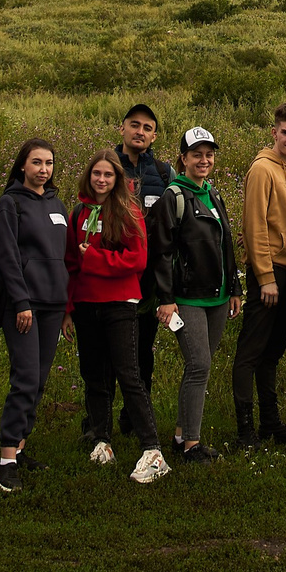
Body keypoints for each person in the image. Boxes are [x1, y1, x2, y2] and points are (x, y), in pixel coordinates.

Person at [68, 149, 171, 485]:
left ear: (118, 179)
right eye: (96, 174)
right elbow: (71, 263)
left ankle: (152, 449)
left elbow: (137, 260)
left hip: (119, 303)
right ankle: (101, 439)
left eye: (108, 175)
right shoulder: (79, 213)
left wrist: (96, 259)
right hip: (86, 303)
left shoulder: (129, 211)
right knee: (94, 374)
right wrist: (68, 308)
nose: (101, 180)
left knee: (129, 374)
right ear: (89, 176)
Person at [146, 126, 241, 463]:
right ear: (183, 158)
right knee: (199, 364)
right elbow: (161, 252)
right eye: (197, 154)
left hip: (217, 297)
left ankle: (179, 434)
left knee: (201, 366)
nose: (204, 160)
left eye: (209, 154)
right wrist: (166, 298)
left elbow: (226, 243)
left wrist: (235, 288)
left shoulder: (213, 195)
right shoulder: (173, 197)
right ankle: (192, 446)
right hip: (186, 299)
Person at [0, 138, 72, 493]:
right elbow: (5, 256)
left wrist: (68, 307)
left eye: (49, 163)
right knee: (24, 378)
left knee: (38, 380)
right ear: (23, 165)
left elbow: (64, 255)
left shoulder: (56, 203)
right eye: (36, 162)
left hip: (54, 304)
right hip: (25, 305)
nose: (43, 169)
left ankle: (21, 448)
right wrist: (21, 301)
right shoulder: (10, 204)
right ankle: (4, 463)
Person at [231, 102, 286, 448]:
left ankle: (270, 422)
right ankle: (245, 428)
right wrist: (265, 277)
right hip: (270, 271)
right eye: (285, 132)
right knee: (250, 351)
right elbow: (253, 225)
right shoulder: (262, 169)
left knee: (273, 352)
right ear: (274, 132)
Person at [110, 103, 174, 437]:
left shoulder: (164, 174)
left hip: (148, 280)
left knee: (142, 351)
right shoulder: (105, 168)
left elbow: (174, 225)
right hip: (110, 276)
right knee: (107, 352)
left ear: (154, 135)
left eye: (147, 128)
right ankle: (98, 423)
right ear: (122, 128)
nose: (140, 132)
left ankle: (134, 418)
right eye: (134, 125)